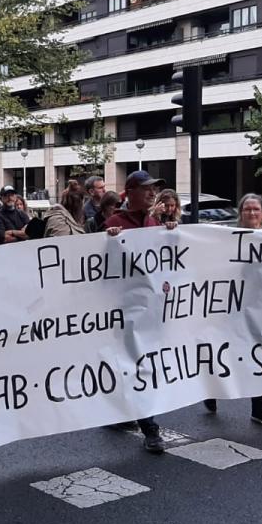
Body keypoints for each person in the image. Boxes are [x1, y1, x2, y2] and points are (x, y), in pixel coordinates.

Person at [103, 170, 179, 453]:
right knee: (136, 364)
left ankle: (122, 414)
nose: (152, 193)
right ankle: (150, 428)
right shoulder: (113, 223)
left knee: (139, 365)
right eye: (146, 189)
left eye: (154, 189)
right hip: (123, 312)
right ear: (130, 192)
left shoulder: (153, 223)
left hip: (149, 310)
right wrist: (108, 239)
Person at [203, 194, 262, 427]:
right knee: (226, 354)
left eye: (256, 209)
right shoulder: (227, 240)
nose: (252, 213)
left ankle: (260, 409)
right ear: (241, 213)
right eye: (247, 209)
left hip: (260, 311)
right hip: (230, 308)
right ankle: (212, 392)